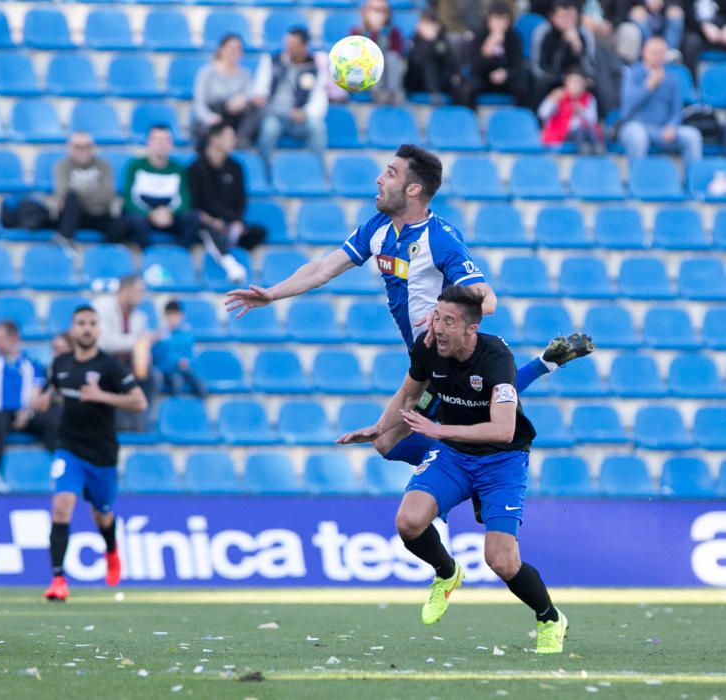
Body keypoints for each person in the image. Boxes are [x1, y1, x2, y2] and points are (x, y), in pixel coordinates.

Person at [226, 144, 594, 481]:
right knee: (428, 425)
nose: (379, 178)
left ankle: (458, 465)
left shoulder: (441, 239)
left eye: (390, 172)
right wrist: (273, 294)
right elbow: (323, 268)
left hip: (447, 356)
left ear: (414, 189)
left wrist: (442, 311)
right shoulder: (378, 228)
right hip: (426, 359)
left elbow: (489, 300)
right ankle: (541, 366)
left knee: (389, 441)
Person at [338, 285, 568, 654]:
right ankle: (447, 572)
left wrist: (439, 430)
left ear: (470, 329)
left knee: (502, 561)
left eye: (448, 321)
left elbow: (503, 429)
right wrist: (379, 427)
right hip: (453, 455)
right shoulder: (429, 347)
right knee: (408, 522)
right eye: (436, 317)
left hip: (502, 461)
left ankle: (549, 618)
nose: (437, 327)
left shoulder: (496, 358)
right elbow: (409, 394)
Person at [35, 305, 147, 601]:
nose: (86, 328)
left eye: (92, 323)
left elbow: (139, 402)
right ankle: (58, 580)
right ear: (73, 329)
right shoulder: (59, 363)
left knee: (102, 516)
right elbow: (51, 388)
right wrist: (44, 399)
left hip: (102, 454)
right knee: (61, 506)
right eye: (81, 323)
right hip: (69, 449)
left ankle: (111, 551)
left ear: (99, 329)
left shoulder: (110, 366)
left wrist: (101, 396)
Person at [188, 122, 267, 283]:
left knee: (259, 232)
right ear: (215, 139)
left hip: (230, 223)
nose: (234, 141)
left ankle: (230, 238)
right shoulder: (196, 168)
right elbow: (193, 204)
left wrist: (237, 222)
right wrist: (211, 221)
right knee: (206, 228)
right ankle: (230, 265)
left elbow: (241, 200)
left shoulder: (236, 167)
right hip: (206, 222)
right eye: (229, 137)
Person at [0, 321, 59, 463]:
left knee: (53, 419)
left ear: (14, 338)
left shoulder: (32, 364)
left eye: (1, 338)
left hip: (25, 412)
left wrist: (26, 412)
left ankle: (53, 462)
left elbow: (36, 393)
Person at [251, 27, 328, 166]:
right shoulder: (272, 61)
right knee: (269, 129)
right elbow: (261, 86)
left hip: (298, 118)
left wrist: (304, 112)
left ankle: (318, 170)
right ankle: (265, 170)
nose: (288, 49)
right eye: (287, 44)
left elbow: (320, 98)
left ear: (304, 47)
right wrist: (260, 97)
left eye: (293, 46)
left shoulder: (313, 68)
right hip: (274, 114)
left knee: (317, 127)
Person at [618, 36, 702, 164]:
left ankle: (692, 180)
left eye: (662, 53)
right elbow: (627, 109)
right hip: (637, 126)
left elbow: (677, 108)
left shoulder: (673, 77)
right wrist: (648, 86)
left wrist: (672, 125)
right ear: (644, 53)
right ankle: (638, 178)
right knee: (637, 135)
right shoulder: (633, 73)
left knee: (692, 136)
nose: (658, 56)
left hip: (663, 129)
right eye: (654, 52)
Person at [94, 274, 156, 432]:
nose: (141, 297)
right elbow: (105, 342)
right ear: (125, 290)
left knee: (152, 375)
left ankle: (142, 422)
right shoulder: (102, 307)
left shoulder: (140, 317)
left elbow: (141, 347)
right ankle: (121, 424)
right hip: (104, 363)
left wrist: (143, 353)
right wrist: (138, 341)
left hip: (128, 364)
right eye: (138, 291)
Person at [121, 124, 199, 250]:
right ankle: (147, 258)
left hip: (170, 216)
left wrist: (170, 213)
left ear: (171, 144)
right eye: (156, 139)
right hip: (144, 217)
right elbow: (129, 200)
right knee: (134, 220)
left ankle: (179, 256)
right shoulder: (135, 166)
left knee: (192, 217)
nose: (161, 144)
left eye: (165, 140)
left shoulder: (178, 169)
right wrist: (150, 214)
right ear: (148, 143)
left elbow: (184, 200)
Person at [50, 132, 122, 244]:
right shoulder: (61, 166)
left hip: (99, 214)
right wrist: (93, 193)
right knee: (71, 198)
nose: (83, 150)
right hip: (74, 215)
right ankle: (65, 240)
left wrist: (79, 195)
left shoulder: (104, 166)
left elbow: (107, 194)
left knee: (123, 224)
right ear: (69, 148)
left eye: (87, 146)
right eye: (78, 147)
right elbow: (63, 193)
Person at [192, 33, 257, 146]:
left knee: (259, 110)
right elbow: (199, 104)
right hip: (214, 116)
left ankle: (239, 140)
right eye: (230, 48)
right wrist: (210, 118)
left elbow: (250, 95)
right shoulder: (206, 73)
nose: (234, 52)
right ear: (221, 50)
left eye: (238, 49)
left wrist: (243, 100)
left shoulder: (245, 75)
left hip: (235, 119)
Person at [531, 0, 597, 106]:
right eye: (563, 17)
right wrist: (562, 80)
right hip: (551, 77)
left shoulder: (584, 34)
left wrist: (578, 48)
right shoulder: (543, 32)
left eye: (572, 18)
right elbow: (538, 67)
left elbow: (590, 67)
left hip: (576, 78)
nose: (568, 22)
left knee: (593, 85)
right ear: (553, 17)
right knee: (538, 85)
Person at [468, 1, 527, 105]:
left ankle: (520, 118)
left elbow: (518, 66)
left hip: (506, 79)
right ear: (488, 20)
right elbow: (474, 68)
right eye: (496, 19)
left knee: (523, 86)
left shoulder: (514, 38)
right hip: (484, 78)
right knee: (470, 88)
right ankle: (471, 118)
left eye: (503, 19)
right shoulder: (480, 36)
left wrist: (506, 74)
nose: (499, 23)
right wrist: (486, 50)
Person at [404, 9, 465, 104]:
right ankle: (435, 94)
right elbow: (417, 60)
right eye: (426, 24)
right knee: (428, 64)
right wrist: (430, 42)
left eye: (431, 24)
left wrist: (456, 74)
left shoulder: (441, 39)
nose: (429, 28)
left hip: (439, 79)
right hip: (418, 80)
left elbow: (448, 59)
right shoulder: (414, 40)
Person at [351, 0, 407, 103]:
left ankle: (392, 93)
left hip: (388, 75)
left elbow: (397, 54)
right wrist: (373, 33)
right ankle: (378, 93)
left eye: (383, 11)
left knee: (392, 57)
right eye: (374, 10)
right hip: (366, 76)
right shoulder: (357, 32)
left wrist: (381, 33)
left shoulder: (394, 32)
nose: (378, 14)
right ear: (365, 12)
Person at [539, 66, 605, 151]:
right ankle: (585, 150)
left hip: (585, 133)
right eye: (572, 81)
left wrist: (582, 111)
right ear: (566, 82)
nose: (575, 85)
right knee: (580, 132)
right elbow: (542, 114)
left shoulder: (589, 98)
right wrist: (552, 100)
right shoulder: (558, 95)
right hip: (563, 134)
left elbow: (593, 121)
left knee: (590, 131)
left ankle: (599, 150)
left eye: (579, 82)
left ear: (584, 84)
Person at [152, 300, 206, 398]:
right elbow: (158, 357)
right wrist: (177, 361)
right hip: (167, 370)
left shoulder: (187, 333)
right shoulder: (159, 334)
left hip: (184, 370)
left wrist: (187, 362)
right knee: (177, 382)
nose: (173, 318)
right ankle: (175, 409)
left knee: (200, 385)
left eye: (175, 315)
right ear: (165, 316)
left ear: (181, 315)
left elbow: (191, 355)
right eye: (169, 315)